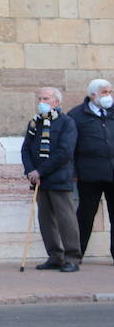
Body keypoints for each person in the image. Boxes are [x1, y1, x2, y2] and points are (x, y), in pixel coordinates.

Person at [23, 86, 80, 272]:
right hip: (40, 181)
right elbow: (26, 149)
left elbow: (64, 152)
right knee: (45, 220)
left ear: (56, 102)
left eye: (46, 99)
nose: (41, 102)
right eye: (39, 98)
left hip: (59, 178)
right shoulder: (35, 123)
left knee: (66, 219)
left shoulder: (66, 122)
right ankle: (55, 256)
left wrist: (40, 171)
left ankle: (72, 258)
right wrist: (31, 171)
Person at [72, 78, 114, 263]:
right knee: (85, 215)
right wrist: (73, 172)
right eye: (104, 92)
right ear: (93, 95)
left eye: (110, 92)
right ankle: (75, 254)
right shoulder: (77, 115)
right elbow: (69, 146)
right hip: (89, 175)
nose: (108, 96)